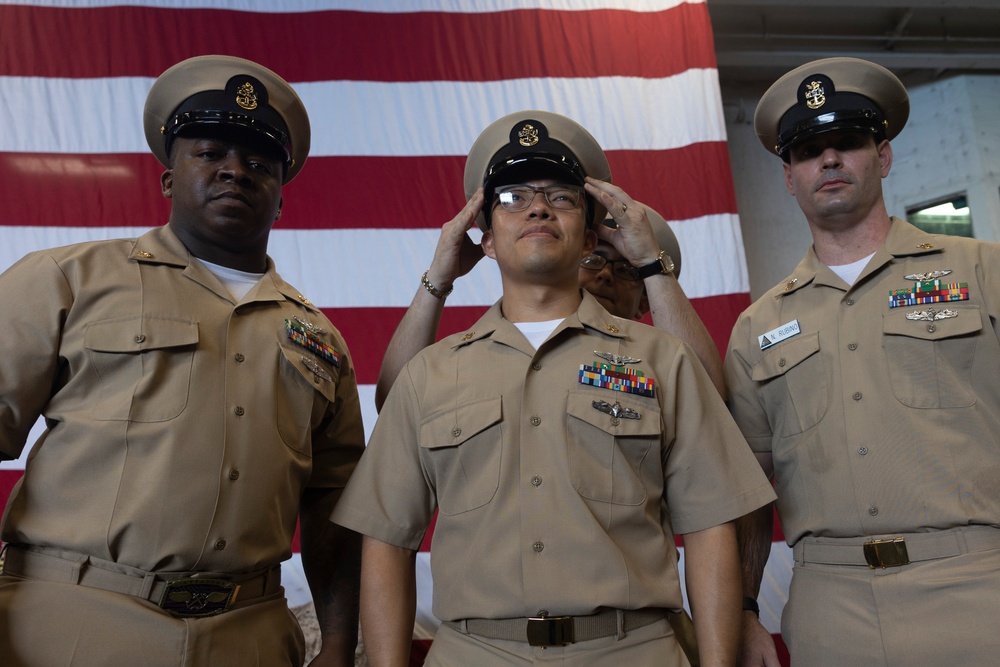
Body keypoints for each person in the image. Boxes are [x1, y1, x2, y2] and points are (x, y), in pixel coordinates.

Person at [332, 109, 775, 666]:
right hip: (475, 653)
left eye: (561, 197)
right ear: (485, 239)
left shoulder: (663, 361)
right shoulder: (431, 373)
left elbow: (711, 527)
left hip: (632, 651)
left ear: (591, 233)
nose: (538, 206)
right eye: (513, 197)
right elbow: (387, 540)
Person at [0, 55, 364, 666]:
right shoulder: (66, 281)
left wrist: (336, 644)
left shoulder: (320, 340)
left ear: (280, 199)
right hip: (66, 627)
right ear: (169, 178)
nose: (235, 172)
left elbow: (336, 510)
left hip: (250, 637)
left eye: (259, 164)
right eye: (211, 152)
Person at [726, 57, 1000, 667]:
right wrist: (744, 610)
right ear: (788, 178)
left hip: (979, 589)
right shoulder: (757, 328)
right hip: (831, 610)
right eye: (808, 151)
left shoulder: (983, 272)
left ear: (883, 156)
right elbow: (747, 491)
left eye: (846, 143)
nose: (828, 160)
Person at [374, 196, 725, 413]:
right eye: (594, 260)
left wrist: (652, 264)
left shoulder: (662, 361)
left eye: (627, 270)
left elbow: (711, 404)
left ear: (644, 302)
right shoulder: (474, 354)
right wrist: (438, 279)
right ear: (577, 251)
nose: (605, 276)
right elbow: (395, 404)